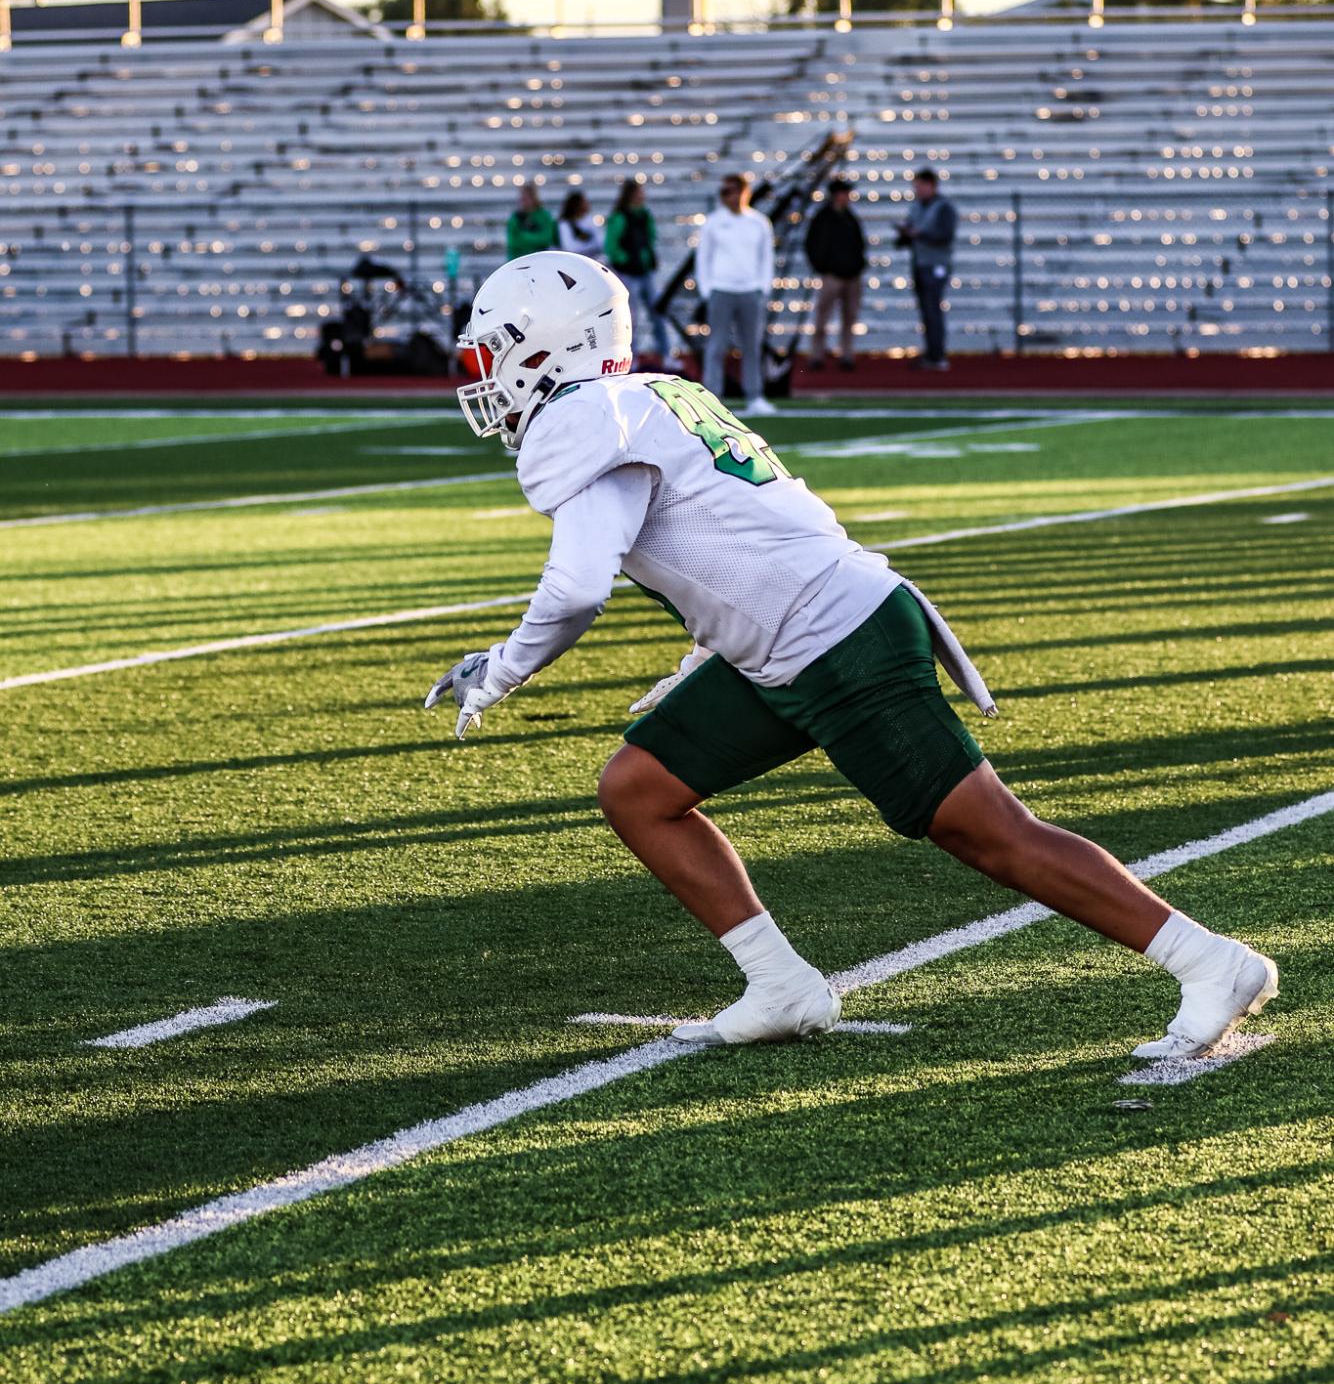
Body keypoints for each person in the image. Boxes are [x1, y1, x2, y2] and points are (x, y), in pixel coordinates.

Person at [427, 250, 1279, 1059]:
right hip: (790, 640)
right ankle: (780, 984)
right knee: (640, 789)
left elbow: (578, 588)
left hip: (835, 640)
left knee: (992, 836)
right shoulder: (650, 397)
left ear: (549, 344)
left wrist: (499, 670)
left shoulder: (580, 420)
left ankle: (1208, 961)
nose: (486, 375)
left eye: (494, 352)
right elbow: (738, 539)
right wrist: (705, 653)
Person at [695, 172, 775, 417]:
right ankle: (712, 398)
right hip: (722, 288)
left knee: (752, 345)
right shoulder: (714, 222)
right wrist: (707, 288)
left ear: (744, 192)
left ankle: (754, 395)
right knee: (716, 345)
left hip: (750, 290)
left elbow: (766, 257)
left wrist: (763, 287)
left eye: (731, 191)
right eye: (724, 192)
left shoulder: (759, 222)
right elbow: (703, 257)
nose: (727, 197)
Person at [894, 167, 957, 371]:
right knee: (926, 310)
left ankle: (937, 354)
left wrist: (919, 234)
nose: (918, 190)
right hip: (920, 263)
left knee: (933, 308)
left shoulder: (944, 208)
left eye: (921, 186)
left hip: (935, 264)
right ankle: (931, 352)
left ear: (932, 185)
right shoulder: (916, 207)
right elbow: (911, 233)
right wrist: (904, 235)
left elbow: (945, 236)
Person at [804, 178, 866, 371]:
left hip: (851, 275)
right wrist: (822, 266)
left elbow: (859, 244)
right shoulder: (823, 218)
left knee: (849, 317)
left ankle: (847, 354)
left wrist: (858, 264)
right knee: (823, 317)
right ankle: (817, 355)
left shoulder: (850, 217)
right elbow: (812, 244)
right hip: (832, 274)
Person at [605, 178, 671, 359]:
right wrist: (626, 260)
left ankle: (665, 353)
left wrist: (648, 258)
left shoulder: (644, 215)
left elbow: (650, 237)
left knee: (657, 313)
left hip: (645, 273)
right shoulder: (619, 217)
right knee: (630, 318)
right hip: (629, 274)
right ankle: (629, 356)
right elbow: (611, 246)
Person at [506, 183, 556, 262]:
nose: (524, 201)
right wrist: (535, 238)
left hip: (540, 259)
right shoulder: (515, 217)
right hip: (518, 260)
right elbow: (513, 242)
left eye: (527, 198)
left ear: (534, 198)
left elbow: (546, 238)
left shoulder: (545, 215)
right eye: (522, 198)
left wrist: (523, 237)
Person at [557, 190, 602, 259]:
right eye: (584, 202)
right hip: (574, 260)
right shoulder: (564, 224)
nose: (588, 204)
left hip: (592, 259)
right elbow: (570, 248)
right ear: (576, 205)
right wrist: (591, 246)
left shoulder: (590, 220)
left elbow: (600, 243)